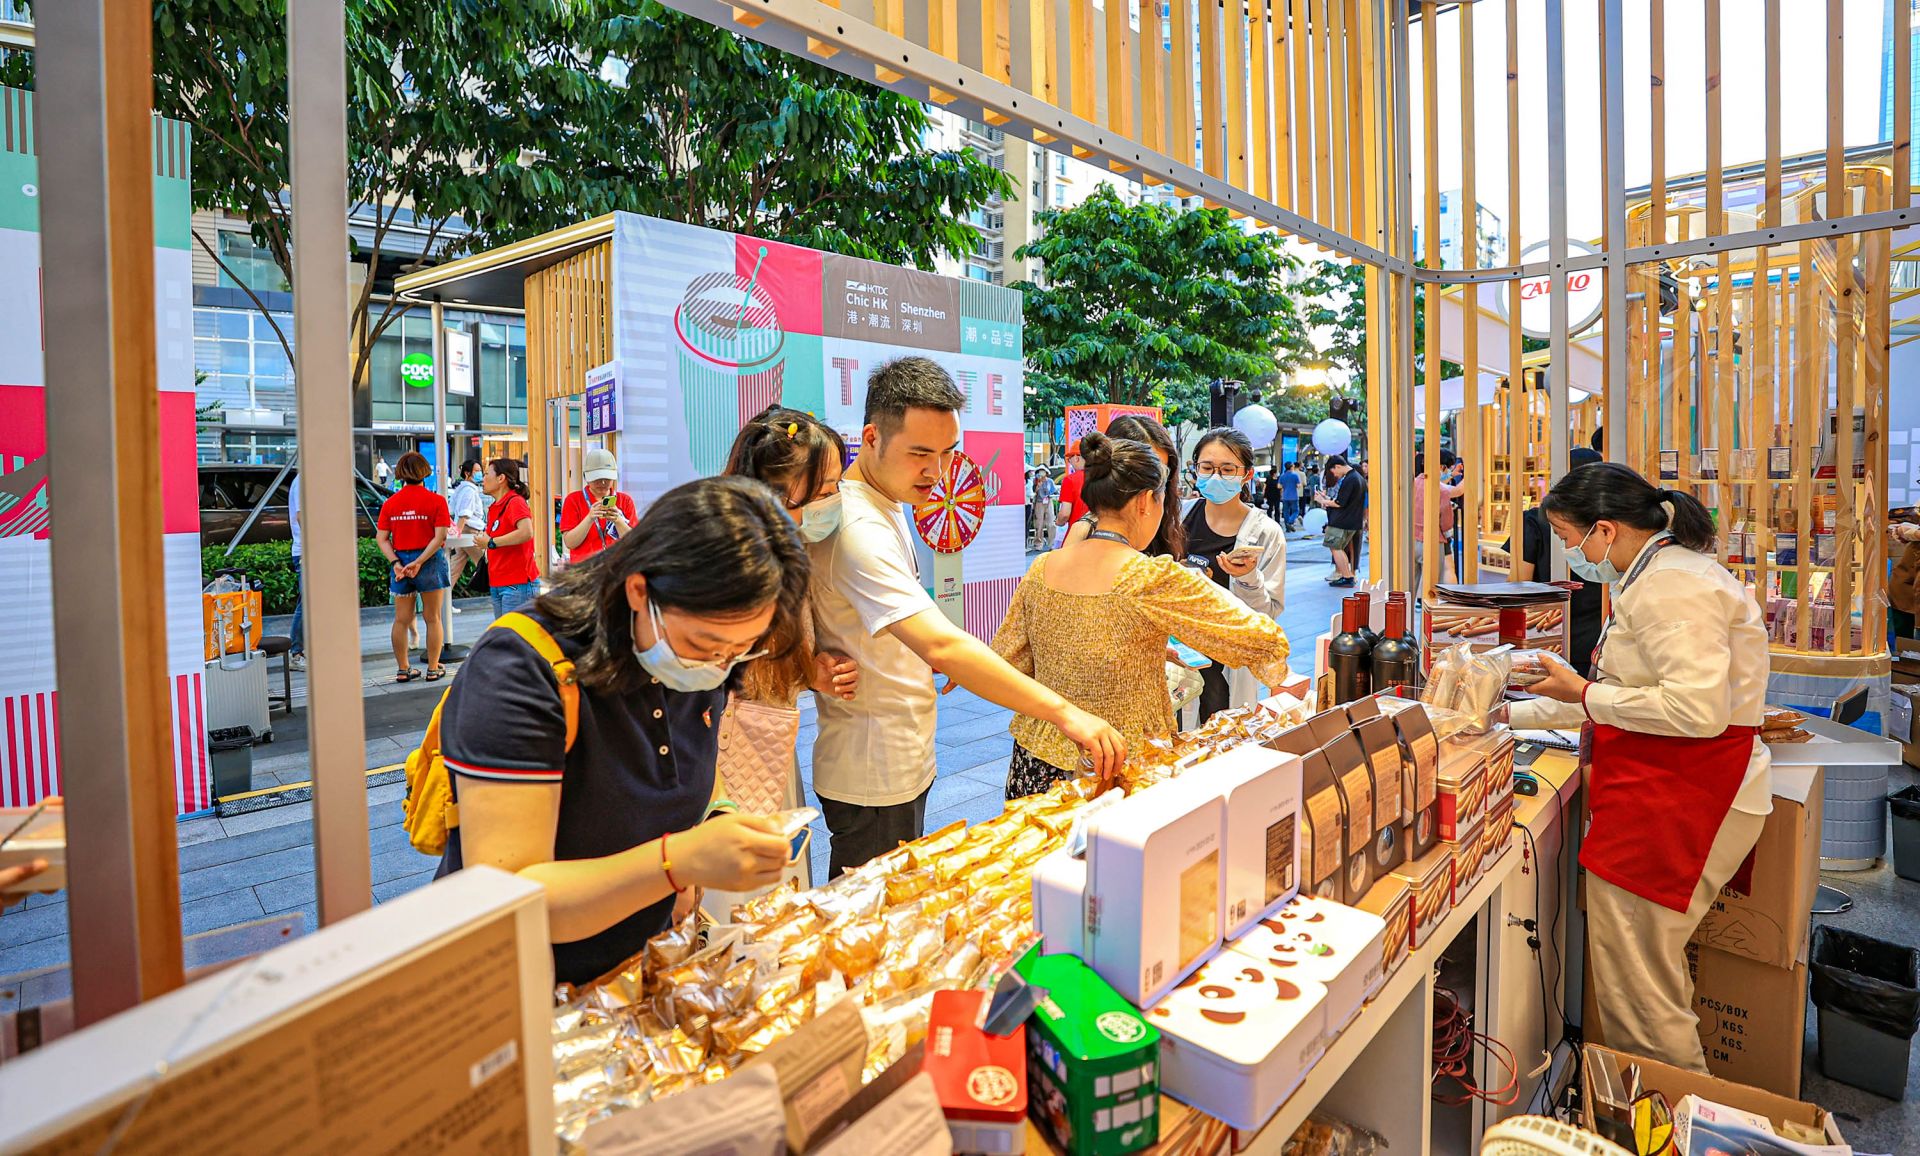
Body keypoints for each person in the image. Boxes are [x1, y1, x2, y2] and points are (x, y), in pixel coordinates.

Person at [436, 476, 804, 986]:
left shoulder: (697, 658)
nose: (719, 664)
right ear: (639, 589)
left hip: (636, 978)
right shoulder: (523, 668)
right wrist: (678, 862)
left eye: (741, 647)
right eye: (707, 643)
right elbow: (512, 899)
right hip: (523, 993)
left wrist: (718, 818)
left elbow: (687, 768)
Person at [809, 357, 1124, 876]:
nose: (935, 472)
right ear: (870, 437)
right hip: (871, 767)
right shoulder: (859, 527)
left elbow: (928, 637)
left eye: (947, 453)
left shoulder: (883, 502)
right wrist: (1067, 713)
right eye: (919, 454)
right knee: (870, 921)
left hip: (897, 754)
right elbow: (942, 645)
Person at [1509, 462, 1771, 1073]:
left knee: (1642, 999)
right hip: (1669, 785)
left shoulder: (1670, 587)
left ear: (1605, 530)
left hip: (1683, 793)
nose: (1572, 554)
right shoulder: (1659, 575)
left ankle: (1674, 1119)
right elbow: (1626, 691)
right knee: (1649, 979)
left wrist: (1582, 694)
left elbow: (1693, 710)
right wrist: (1505, 713)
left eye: (1571, 540)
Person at [995, 431, 1291, 797]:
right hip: (1117, 767)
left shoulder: (1042, 566)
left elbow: (1009, 660)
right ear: (1144, 502)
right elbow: (1261, 637)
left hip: (1035, 760)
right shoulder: (1152, 576)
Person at [1181, 427, 1287, 723]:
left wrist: (1248, 578)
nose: (1215, 476)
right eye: (1207, 467)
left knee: (1220, 741)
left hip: (1226, 664)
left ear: (1246, 475)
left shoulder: (1266, 533)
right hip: (1178, 658)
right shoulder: (1180, 517)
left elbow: (1268, 615)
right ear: (1196, 469)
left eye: (1227, 469)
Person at [1505, 448, 1605, 676]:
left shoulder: (1534, 520)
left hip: (1548, 638)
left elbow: (1518, 584)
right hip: (1599, 640)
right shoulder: (1605, 525)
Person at [1062, 413, 1186, 559]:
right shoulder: (1085, 531)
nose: (1154, 482)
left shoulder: (1166, 517)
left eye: (1162, 472)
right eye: (1144, 471)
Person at [375, 451, 452, 682]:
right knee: (433, 617)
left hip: (400, 562)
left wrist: (397, 563)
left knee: (401, 619)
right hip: (429, 562)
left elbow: (382, 538)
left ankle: (403, 669)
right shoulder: (437, 501)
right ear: (424, 473)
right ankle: (433, 667)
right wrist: (419, 562)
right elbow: (439, 538)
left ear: (400, 474)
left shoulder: (391, 503)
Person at [560, 447, 640, 566]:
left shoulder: (625, 501)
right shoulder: (573, 500)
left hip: (617, 569)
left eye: (607, 478)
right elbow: (570, 543)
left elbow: (634, 542)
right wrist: (589, 518)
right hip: (584, 572)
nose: (602, 483)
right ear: (586, 477)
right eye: (597, 478)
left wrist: (618, 520)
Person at [482, 457, 540, 618]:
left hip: (517, 583)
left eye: (487, 474)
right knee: (505, 636)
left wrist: (491, 542)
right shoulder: (495, 507)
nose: (483, 478)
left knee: (514, 638)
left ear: (501, 478)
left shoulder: (515, 502)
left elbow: (526, 532)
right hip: (500, 582)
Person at [1413, 451, 1467, 590]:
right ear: (1442, 467)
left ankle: (1406, 611)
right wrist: (1470, 473)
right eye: (1448, 468)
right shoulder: (1440, 490)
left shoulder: (1413, 483)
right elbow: (1446, 522)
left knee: (1410, 584)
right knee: (1436, 581)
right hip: (1434, 539)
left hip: (1412, 538)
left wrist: (1451, 475)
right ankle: (1444, 607)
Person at [446, 458, 488, 613]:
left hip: (464, 531)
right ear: (467, 473)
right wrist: (458, 532)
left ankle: (442, 601)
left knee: (455, 567)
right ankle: (499, 596)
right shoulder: (469, 490)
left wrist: (456, 532)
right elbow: (464, 514)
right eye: (476, 471)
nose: (480, 474)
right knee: (486, 563)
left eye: (480, 471)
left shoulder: (460, 489)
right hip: (470, 531)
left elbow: (451, 511)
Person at [1316, 455, 1366, 587]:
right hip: (1353, 520)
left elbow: (1340, 502)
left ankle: (1347, 576)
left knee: (1335, 547)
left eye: (1333, 472)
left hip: (1342, 521)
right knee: (1338, 548)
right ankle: (1347, 575)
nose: (1335, 475)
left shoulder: (1350, 479)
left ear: (1337, 466)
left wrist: (1323, 501)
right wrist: (1326, 498)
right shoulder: (1358, 478)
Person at [287, 473, 307, 671]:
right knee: (308, 602)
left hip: (309, 550)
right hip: (306, 551)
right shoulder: (303, 480)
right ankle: (296, 652)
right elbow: (301, 515)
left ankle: (300, 650)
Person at [1056, 443, 1089, 539]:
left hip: (1076, 536)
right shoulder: (1103, 477)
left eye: (1069, 459)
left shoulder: (1070, 480)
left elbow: (1065, 514)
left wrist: (1058, 522)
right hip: (1100, 537)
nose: (1070, 462)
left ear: (1076, 458)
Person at [1029, 468, 1058, 552]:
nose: (1041, 474)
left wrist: (1049, 493)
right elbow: (1033, 492)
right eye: (1039, 472)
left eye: (1043, 472)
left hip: (1048, 502)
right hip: (1039, 503)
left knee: (1051, 523)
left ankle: (1052, 544)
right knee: (1039, 524)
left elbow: (1053, 491)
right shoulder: (1035, 481)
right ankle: (1038, 543)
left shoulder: (1050, 481)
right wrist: (1038, 485)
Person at [1279, 460, 1304, 531]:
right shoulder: (1295, 475)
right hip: (1294, 496)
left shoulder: (1282, 476)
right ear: (1291, 467)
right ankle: (1290, 522)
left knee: (1286, 511)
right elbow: (1298, 485)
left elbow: (1279, 486)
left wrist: (1285, 486)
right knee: (1295, 511)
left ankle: (1287, 528)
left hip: (1285, 496)